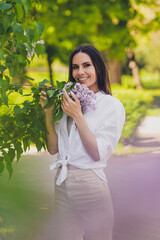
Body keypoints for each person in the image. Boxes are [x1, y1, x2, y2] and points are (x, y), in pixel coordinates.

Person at [40, 45, 125, 240]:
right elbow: (53, 149)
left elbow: (97, 153)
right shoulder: (67, 101)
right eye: (75, 67)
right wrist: (48, 113)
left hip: (90, 184)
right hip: (62, 182)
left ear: (98, 68)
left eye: (87, 65)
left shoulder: (111, 106)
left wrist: (78, 115)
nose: (80, 72)